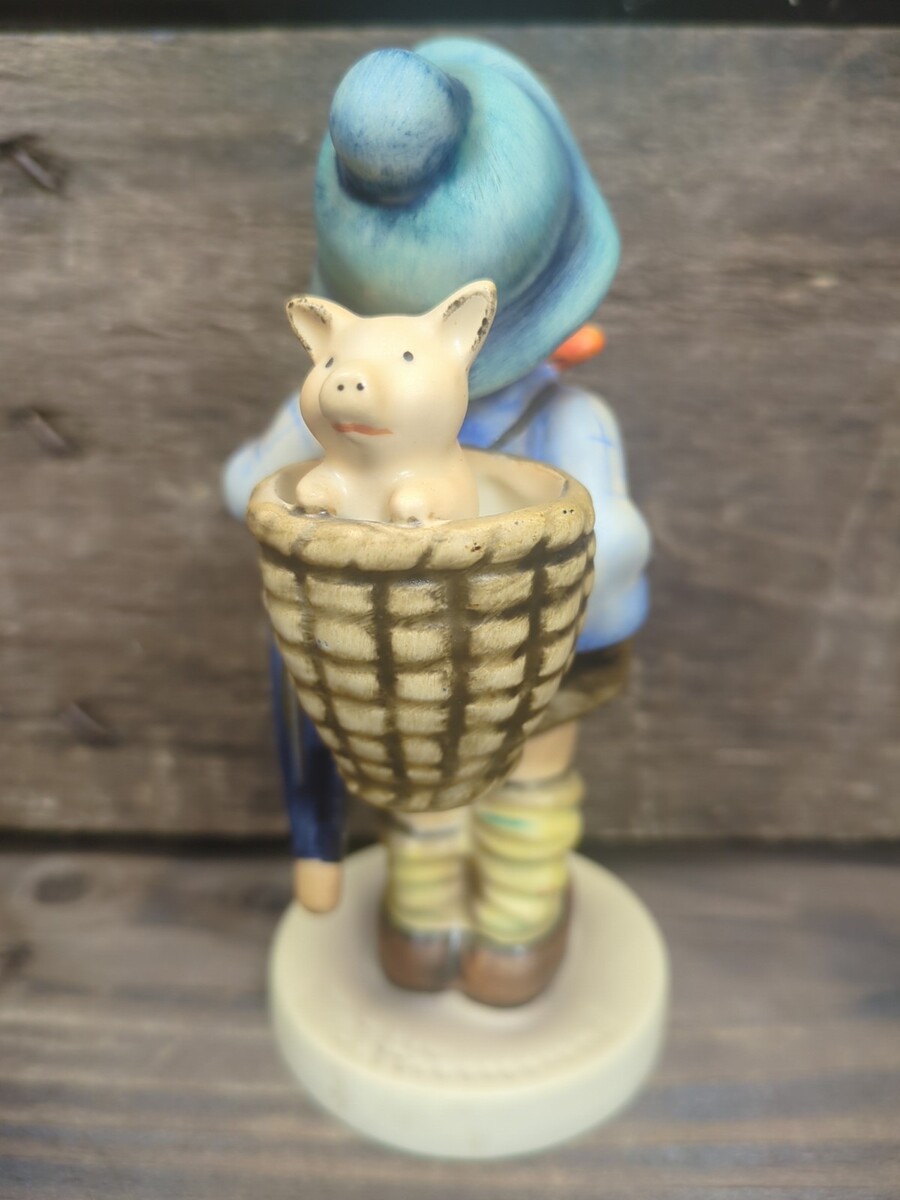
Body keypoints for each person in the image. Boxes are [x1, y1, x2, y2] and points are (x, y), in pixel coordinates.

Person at [223, 37, 651, 1005]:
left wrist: (560, 552)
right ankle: (426, 911)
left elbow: (618, 546)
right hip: (392, 672)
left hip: (532, 663)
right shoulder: (336, 419)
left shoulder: (568, 422)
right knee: (416, 779)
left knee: (528, 768)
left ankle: (516, 918)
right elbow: (250, 481)